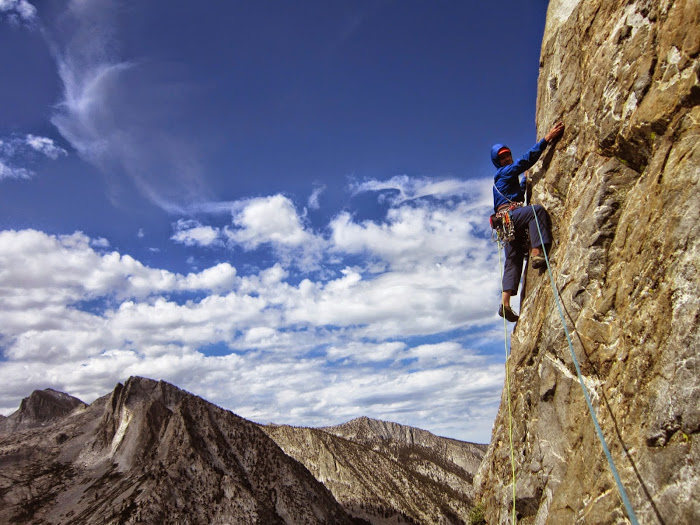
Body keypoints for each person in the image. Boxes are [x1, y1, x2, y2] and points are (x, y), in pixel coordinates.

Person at [492, 121, 564, 322]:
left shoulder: (503, 179)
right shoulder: (504, 172)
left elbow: (516, 193)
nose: (507, 158)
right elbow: (524, 161)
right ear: (498, 162)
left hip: (506, 222)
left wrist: (525, 181)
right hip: (512, 216)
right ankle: (536, 252)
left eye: (507, 154)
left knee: (513, 259)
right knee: (536, 212)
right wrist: (546, 140)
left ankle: (505, 302)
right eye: (502, 157)